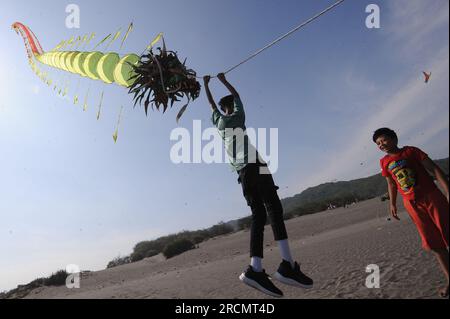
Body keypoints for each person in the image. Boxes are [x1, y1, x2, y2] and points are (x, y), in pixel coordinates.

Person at [204, 73, 313, 298]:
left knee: (258, 215)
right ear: (232, 106)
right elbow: (236, 95)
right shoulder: (238, 116)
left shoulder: (219, 123)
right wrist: (222, 80)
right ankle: (287, 265)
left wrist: (206, 84)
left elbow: (212, 104)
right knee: (274, 208)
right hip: (256, 163)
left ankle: (255, 268)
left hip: (242, 172)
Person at [373, 128, 449, 298]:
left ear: (394, 138)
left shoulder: (411, 151)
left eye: (384, 140)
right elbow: (392, 184)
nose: (381, 145)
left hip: (431, 196)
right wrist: (392, 204)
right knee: (435, 244)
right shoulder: (384, 162)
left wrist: (447, 190)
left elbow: (434, 170)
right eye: (378, 143)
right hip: (411, 204)